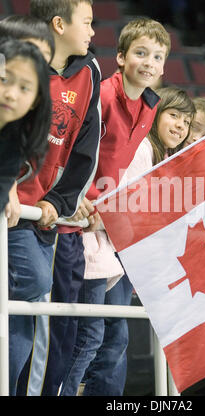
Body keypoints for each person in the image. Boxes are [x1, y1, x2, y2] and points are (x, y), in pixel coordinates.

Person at [59, 18, 172, 396]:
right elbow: (77, 149)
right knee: (86, 332)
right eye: (140, 53)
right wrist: (77, 201)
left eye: (157, 56)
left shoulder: (150, 106)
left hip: (108, 227)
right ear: (121, 57)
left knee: (109, 334)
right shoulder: (104, 95)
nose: (149, 62)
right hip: (79, 221)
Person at [9, 0, 101, 396]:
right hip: (10, 211)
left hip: (40, 215)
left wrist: (58, 204)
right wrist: (7, 188)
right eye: (88, 22)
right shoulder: (17, 64)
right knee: (29, 289)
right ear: (59, 24)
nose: (94, 32)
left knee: (24, 318)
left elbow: (85, 151)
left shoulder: (90, 72)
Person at [0, 15, 55, 229]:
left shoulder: (16, 140)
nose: (12, 95)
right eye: (4, 80)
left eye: (25, 88)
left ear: (36, 100)